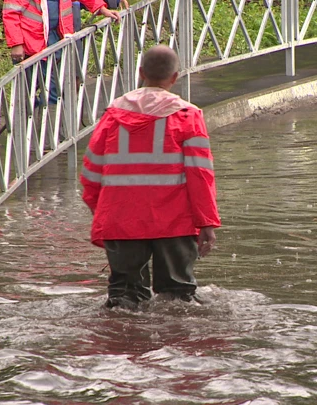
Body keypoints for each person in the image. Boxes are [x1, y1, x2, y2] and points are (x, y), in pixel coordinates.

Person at [80, 45, 221, 310]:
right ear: (175, 77)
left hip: (121, 219)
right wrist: (207, 223)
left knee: (123, 298)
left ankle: (119, 346)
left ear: (141, 72)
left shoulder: (112, 116)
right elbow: (200, 175)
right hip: (175, 223)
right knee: (179, 299)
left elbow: (90, 173)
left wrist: (102, 212)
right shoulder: (188, 116)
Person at [3, 0, 123, 105]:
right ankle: (26, 127)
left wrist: (102, 9)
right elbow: (11, 12)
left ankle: (50, 128)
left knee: (55, 91)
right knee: (26, 94)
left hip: (56, 41)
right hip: (29, 45)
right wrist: (17, 44)